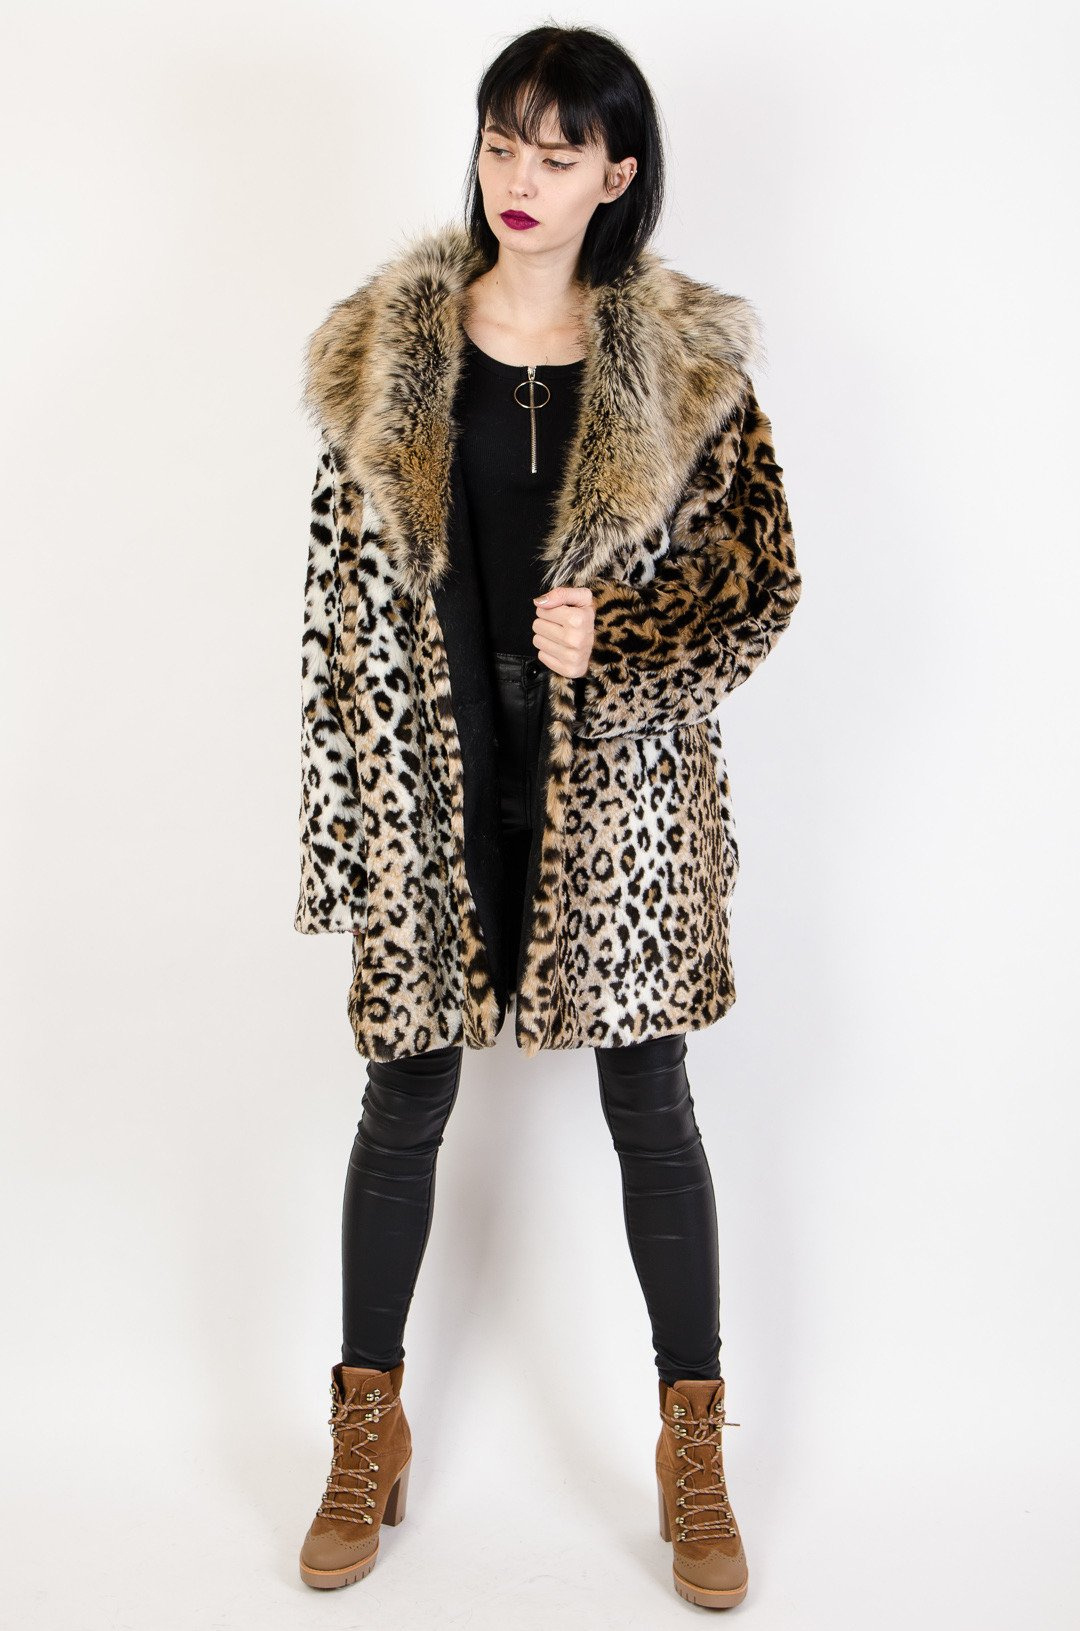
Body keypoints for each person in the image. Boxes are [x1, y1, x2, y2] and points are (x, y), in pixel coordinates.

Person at [293, 23, 801, 1610]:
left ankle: (691, 1444)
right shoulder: (384, 354)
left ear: (616, 173)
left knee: (653, 1108)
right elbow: (331, 626)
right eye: (502, 142)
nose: (521, 177)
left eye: (558, 151)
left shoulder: (690, 371)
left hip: (622, 804)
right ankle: (366, 1424)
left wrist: (622, 640)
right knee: (402, 1107)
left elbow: (761, 589)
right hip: (433, 794)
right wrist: (343, 837)